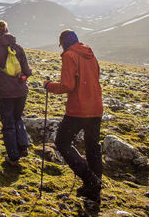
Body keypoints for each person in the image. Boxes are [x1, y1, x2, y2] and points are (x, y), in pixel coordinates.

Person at [43, 29, 103, 203]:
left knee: (62, 142)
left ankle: (89, 179)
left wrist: (49, 85)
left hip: (78, 109)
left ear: (64, 43)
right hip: (96, 107)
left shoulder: (70, 55)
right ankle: (94, 189)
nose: (61, 48)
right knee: (93, 147)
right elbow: (96, 76)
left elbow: (67, 85)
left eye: (61, 45)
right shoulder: (89, 53)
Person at [0, 20, 32, 166]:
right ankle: (23, 146)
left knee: (8, 123)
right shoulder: (18, 48)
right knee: (17, 118)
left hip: (4, 93)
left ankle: (13, 157)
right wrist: (23, 77)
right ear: (8, 31)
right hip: (21, 91)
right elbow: (27, 71)